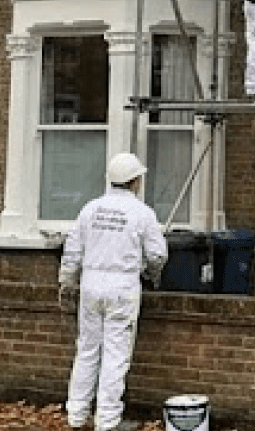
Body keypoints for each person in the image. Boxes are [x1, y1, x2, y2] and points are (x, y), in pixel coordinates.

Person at [59, 152, 168, 431]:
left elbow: (72, 252)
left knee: (87, 351)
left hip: (90, 285)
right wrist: (149, 273)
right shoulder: (142, 214)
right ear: (135, 182)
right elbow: (157, 255)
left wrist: (67, 282)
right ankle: (107, 422)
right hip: (122, 288)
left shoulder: (90, 209)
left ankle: (76, 416)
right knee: (116, 356)